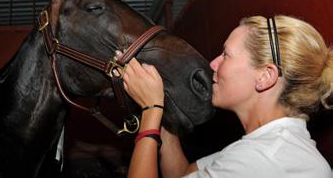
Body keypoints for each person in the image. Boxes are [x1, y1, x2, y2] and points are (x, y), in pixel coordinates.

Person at [122, 15, 333, 178]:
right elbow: (181, 173)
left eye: (226, 55)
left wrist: (151, 110)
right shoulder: (269, 146)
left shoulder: (264, 157)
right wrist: (163, 110)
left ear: (265, 76)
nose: (213, 64)